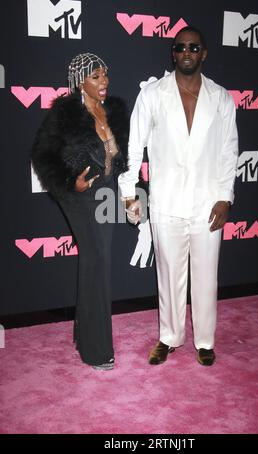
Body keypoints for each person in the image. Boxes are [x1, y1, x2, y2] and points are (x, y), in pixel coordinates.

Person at [118, 26, 238, 366]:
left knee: (206, 275)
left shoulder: (222, 98)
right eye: (181, 47)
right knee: (168, 274)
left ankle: (205, 340)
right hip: (166, 202)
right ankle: (169, 337)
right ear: (173, 53)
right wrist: (128, 192)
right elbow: (133, 145)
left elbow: (230, 151)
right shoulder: (153, 94)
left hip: (207, 204)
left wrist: (225, 197)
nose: (187, 52)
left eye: (194, 47)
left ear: (204, 53)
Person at [31, 53, 128, 370]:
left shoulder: (113, 110)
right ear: (79, 80)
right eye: (96, 76)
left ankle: (86, 336)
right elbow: (43, 156)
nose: (104, 82)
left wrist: (129, 194)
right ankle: (97, 350)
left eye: (105, 74)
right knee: (96, 262)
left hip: (108, 192)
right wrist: (71, 183)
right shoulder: (64, 113)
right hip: (80, 195)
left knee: (99, 265)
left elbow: (122, 155)